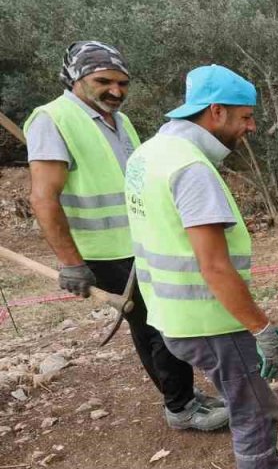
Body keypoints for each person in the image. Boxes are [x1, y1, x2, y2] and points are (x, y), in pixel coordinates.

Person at [124, 65, 278, 469]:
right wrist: (262, 327)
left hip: (170, 313)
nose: (251, 127)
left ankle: (267, 467)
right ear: (216, 112)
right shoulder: (192, 170)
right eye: (245, 118)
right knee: (254, 404)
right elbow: (213, 265)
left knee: (247, 398)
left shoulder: (149, 154)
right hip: (210, 318)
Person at [24, 41, 228, 431]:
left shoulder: (120, 120)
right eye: (104, 81)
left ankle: (181, 397)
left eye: (122, 83)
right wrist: (71, 263)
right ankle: (182, 407)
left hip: (140, 242)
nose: (116, 91)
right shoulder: (52, 119)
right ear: (75, 78)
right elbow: (43, 197)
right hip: (106, 251)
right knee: (163, 323)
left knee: (151, 325)